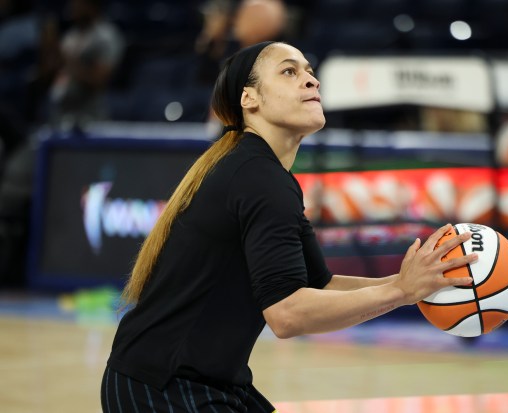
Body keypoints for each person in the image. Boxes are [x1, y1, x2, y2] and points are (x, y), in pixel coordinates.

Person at [101, 41, 476, 412]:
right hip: (161, 387)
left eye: (310, 72)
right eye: (289, 71)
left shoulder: (262, 171)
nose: (311, 81)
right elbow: (287, 314)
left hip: (194, 378)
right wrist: (400, 292)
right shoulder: (258, 178)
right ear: (250, 99)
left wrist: (417, 283)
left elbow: (319, 286)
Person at [48, 0, 124, 131]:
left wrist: (66, 61)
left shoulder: (106, 36)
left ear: (91, 6)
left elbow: (98, 80)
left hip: (91, 117)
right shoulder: (71, 36)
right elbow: (55, 72)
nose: (72, 8)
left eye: (78, 4)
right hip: (63, 113)